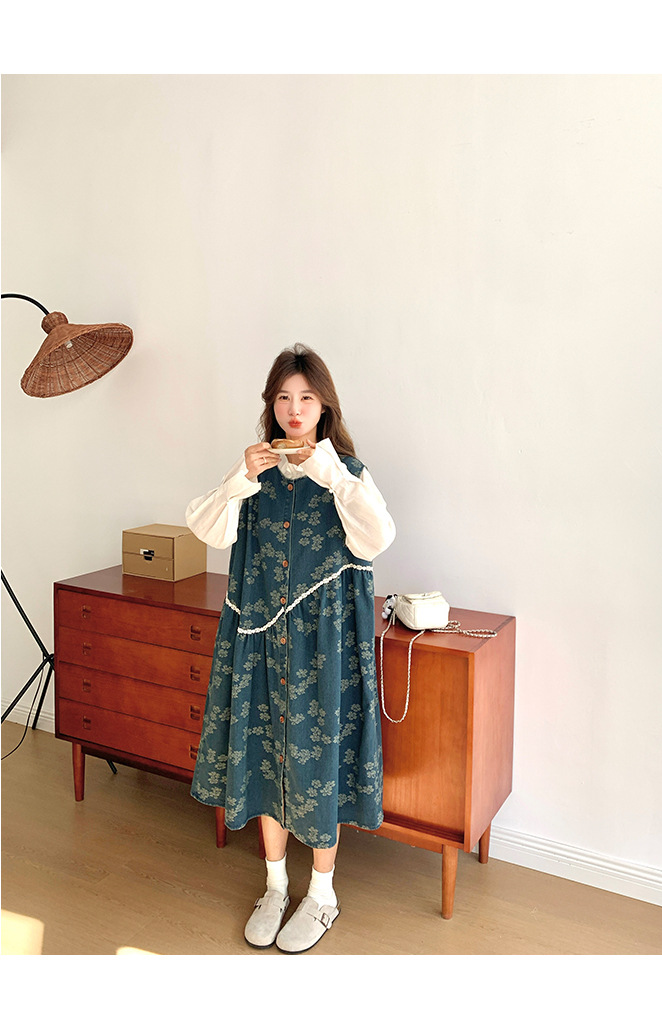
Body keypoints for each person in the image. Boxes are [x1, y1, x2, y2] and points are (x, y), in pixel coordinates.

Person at [185, 344, 395, 953]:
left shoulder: (346, 472)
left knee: (319, 761)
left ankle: (322, 895)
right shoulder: (256, 474)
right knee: (263, 755)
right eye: (283, 397)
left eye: (305, 396)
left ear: (324, 404)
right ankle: (275, 886)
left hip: (324, 650)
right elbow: (206, 528)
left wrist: (332, 476)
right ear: (270, 405)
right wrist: (239, 478)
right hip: (259, 640)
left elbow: (377, 538)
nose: (294, 408)